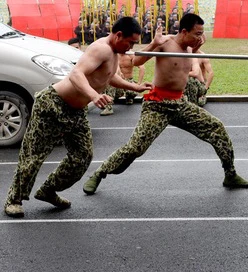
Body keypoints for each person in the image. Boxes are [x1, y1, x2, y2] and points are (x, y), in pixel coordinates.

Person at [82, 13, 248, 195]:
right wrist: (154, 43)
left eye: (202, 33)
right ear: (184, 31)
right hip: (158, 105)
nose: (200, 38)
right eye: (197, 33)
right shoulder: (165, 43)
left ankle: (230, 174)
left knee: (216, 128)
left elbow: (182, 69)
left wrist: (195, 49)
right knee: (135, 148)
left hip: (180, 103)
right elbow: (137, 60)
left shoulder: (190, 48)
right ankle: (100, 173)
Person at [4, 17, 152, 218]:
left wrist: (134, 86)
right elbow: (76, 74)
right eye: (131, 42)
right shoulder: (101, 49)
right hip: (53, 104)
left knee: (82, 156)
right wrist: (94, 95)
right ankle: (14, 200)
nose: (132, 47)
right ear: (118, 35)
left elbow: (108, 76)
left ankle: (48, 190)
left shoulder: (114, 51)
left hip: (76, 111)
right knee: (34, 155)